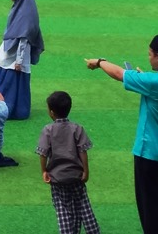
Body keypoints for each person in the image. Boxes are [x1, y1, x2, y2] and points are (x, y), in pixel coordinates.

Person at [84, 34, 158, 234]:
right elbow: (157, 89)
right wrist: (146, 79)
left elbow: (118, 73)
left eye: (150, 54)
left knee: (150, 208)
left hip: (148, 152)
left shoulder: (156, 83)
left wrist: (98, 62)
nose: (148, 58)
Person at [36, 91, 101, 234]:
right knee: (83, 206)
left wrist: (44, 171)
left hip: (57, 179)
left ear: (51, 112)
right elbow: (83, 151)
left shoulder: (48, 130)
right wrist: (86, 170)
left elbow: (43, 153)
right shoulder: (77, 128)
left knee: (63, 211)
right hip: (76, 177)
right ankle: (93, 230)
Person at [0, 0, 44, 120]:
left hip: (14, 55)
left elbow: (23, 39)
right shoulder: (23, 8)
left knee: (8, 80)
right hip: (11, 51)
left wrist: (19, 61)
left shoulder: (25, 14)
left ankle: (5, 108)